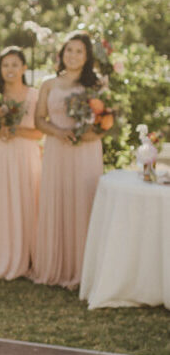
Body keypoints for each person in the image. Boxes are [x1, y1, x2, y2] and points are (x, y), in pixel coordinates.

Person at [32, 31, 106, 289]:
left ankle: (83, 269)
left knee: (83, 200)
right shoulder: (49, 83)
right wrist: (59, 132)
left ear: (87, 57)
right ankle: (56, 266)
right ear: (61, 54)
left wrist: (85, 135)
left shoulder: (96, 85)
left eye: (79, 51)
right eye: (69, 50)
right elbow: (39, 119)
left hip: (86, 150)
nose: (73, 56)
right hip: (57, 148)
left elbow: (107, 121)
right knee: (57, 199)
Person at [0, 46, 42, 280]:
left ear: (24, 67)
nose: (10, 69)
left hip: (25, 154)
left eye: (15, 65)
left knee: (25, 200)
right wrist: (0, 132)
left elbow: (40, 133)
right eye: (5, 65)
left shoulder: (34, 96)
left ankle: (27, 255)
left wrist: (17, 130)